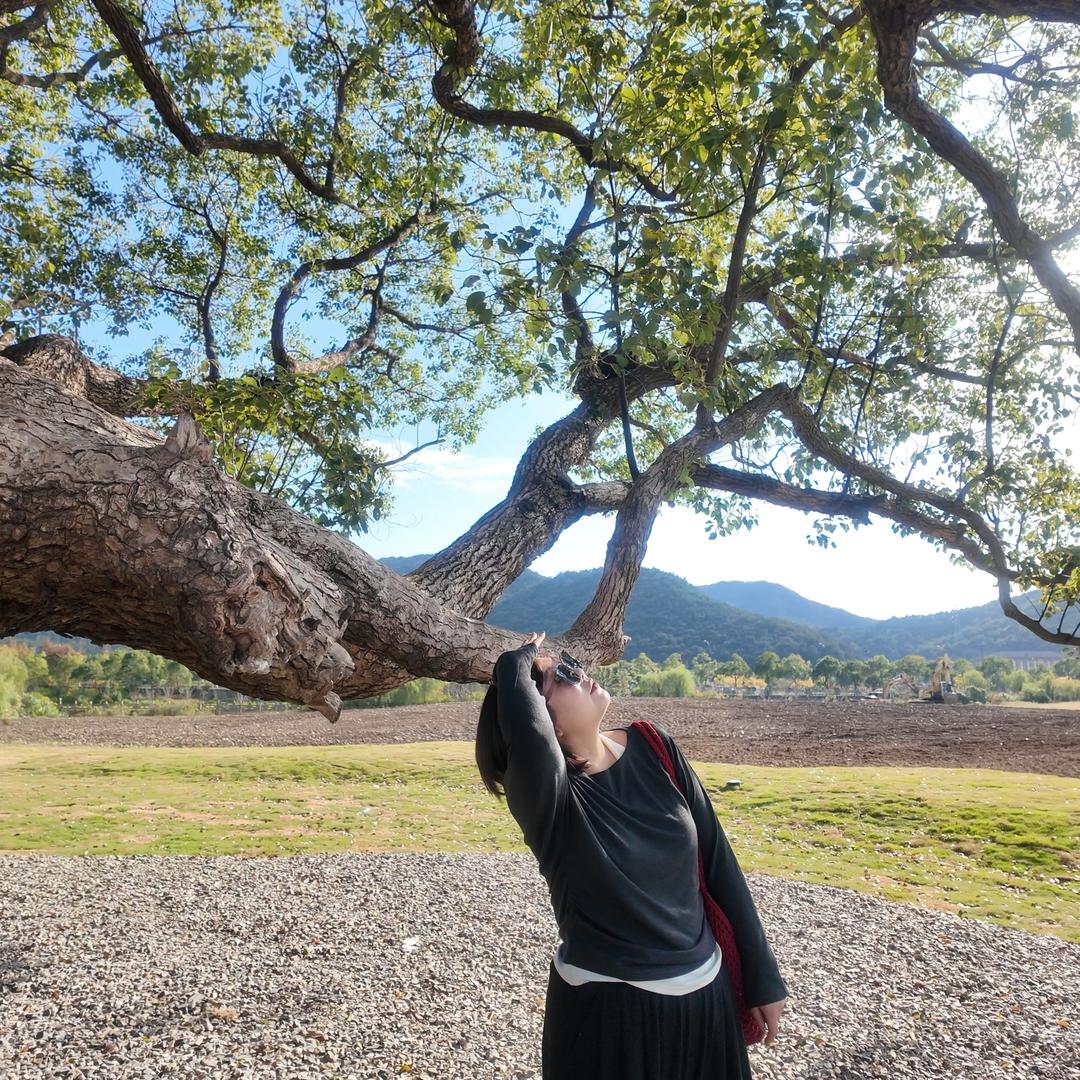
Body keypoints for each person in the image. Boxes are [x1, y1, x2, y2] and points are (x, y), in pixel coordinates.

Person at [475, 630, 788, 1079]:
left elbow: (718, 859)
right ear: (547, 723)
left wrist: (763, 975)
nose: (579, 673)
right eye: (560, 677)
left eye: (571, 664)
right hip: (608, 1022)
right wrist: (513, 665)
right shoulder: (551, 802)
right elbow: (528, 742)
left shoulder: (653, 746)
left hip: (707, 1000)